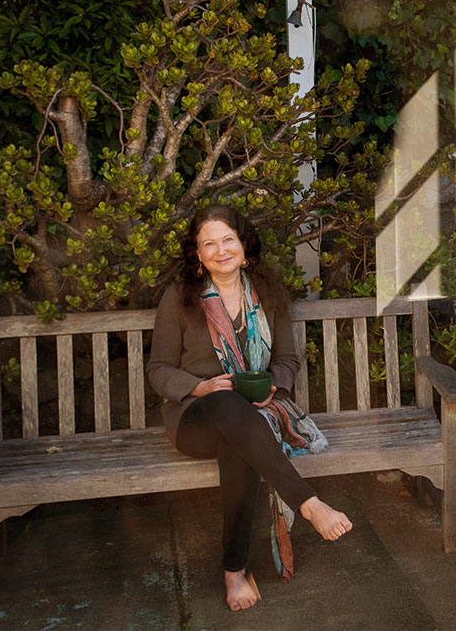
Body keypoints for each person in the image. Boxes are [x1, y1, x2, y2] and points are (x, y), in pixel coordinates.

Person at [147, 203, 352, 611]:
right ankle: (310, 504)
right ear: (197, 254)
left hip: (251, 421)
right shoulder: (179, 298)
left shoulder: (268, 293)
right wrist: (201, 387)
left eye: (228, 240)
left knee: (237, 445)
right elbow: (158, 369)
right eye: (209, 244)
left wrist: (273, 385)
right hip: (195, 419)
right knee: (226, 404)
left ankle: (234, 571)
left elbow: (287, 358)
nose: (221, 250)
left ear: (243, 245)